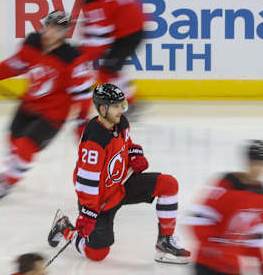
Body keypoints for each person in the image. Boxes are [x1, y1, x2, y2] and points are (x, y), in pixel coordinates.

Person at [47, 83, 191, 264]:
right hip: (99, 200)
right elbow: (85, 181)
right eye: (116, 106)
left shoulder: (120, 122)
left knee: (168, 184)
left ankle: (165, 242)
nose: (121, 110)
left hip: (122, 184)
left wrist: (135, 154)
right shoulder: (94, 139)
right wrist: (88, 212)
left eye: (122, 105)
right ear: (102, 108)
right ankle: (65, 229)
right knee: (97, 254)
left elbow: (127, 144)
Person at [0, 10, 94, 201]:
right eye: (49, 27)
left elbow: (83, 93)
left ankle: (8, 181)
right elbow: (13, 66)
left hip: (54, 114)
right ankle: (11, 171)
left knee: (26, 146)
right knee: (12, 141)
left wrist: (82, 119)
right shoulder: (32, 44)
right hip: (28, 105)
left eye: (57, 30)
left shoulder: (72, 59)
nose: (51, 33)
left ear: (64, 33)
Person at [68, 0, 146, 137]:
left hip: (129, 33)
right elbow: (97, 27)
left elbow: (100, 39)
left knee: (107, 71)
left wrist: (81, 57)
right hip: (130, 27)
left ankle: (131, 104)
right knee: (109, 70)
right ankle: (131, 102)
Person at [188, 140, 263, 275]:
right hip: (207, 264)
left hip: (232, 267)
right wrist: (215, 247)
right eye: (255, 162)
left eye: (262, 164)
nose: (258, 168)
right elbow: (197, 220)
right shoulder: (227, 184)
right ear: (247, 162)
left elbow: (258, 238)